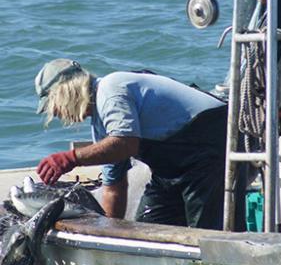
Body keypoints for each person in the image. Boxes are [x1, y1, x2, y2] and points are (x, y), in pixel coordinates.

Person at [35, 58, 242, 230]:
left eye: (53, 105)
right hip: (171, 170)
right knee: (148, 230)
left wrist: (71, 158)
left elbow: (125, 143)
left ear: (66, 91)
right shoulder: (101, 126)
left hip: (210, 145)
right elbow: (114, 187)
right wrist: (109, 231)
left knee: (207, 233)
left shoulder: (110, 88)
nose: (55, 113)